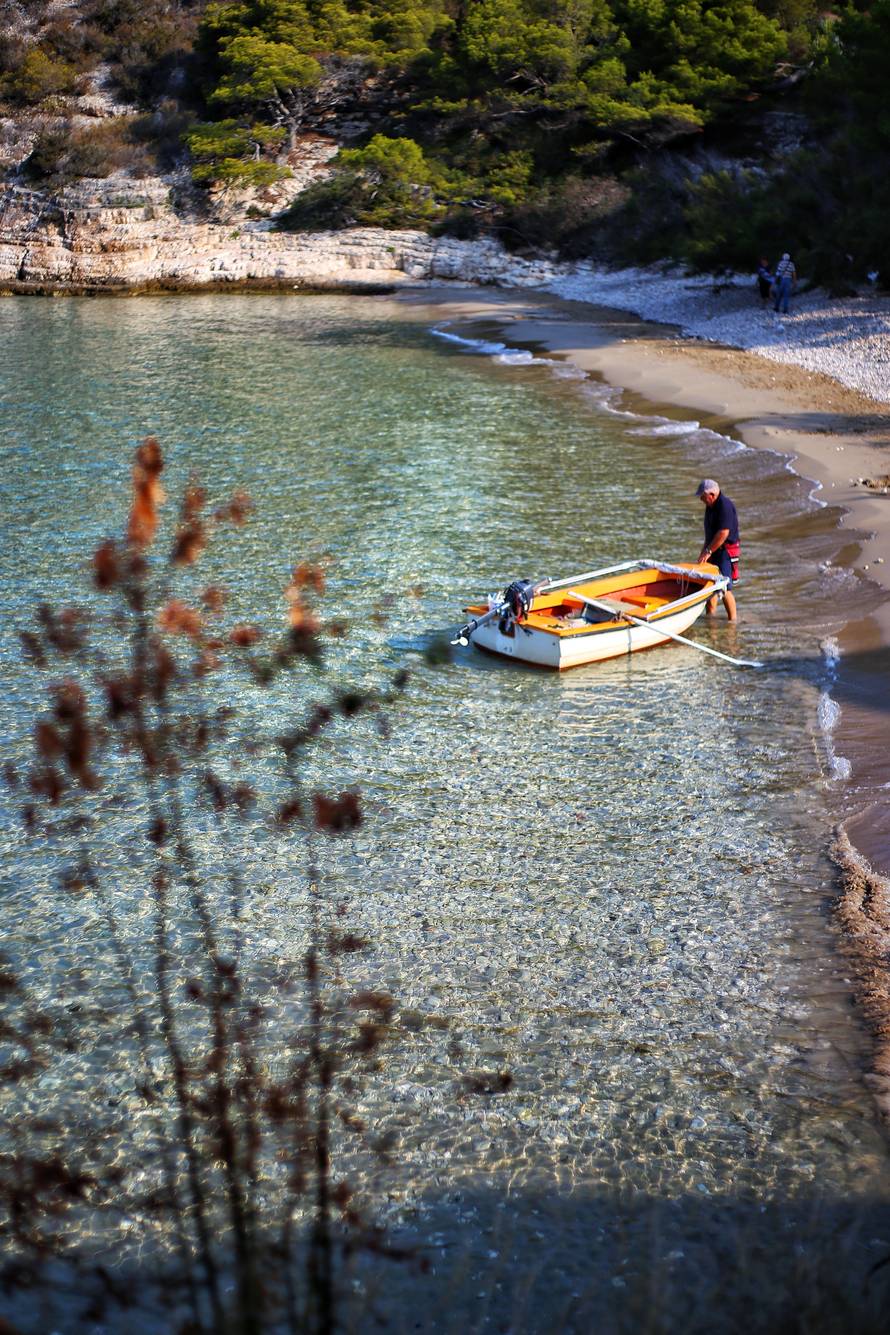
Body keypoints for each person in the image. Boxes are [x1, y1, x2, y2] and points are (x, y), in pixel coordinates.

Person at [695, 479, 739, 621]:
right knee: (710, 583)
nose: (701, 500)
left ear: (712, 494)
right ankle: (710, 616)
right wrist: (703, 552)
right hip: (714, 549)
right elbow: (710, 534)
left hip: (725, 551)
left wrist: (708, 552)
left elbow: (723, 533)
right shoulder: (711, 507)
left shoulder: (724, 506)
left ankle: (733, 621)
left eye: (703, 497)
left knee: (725, 586)